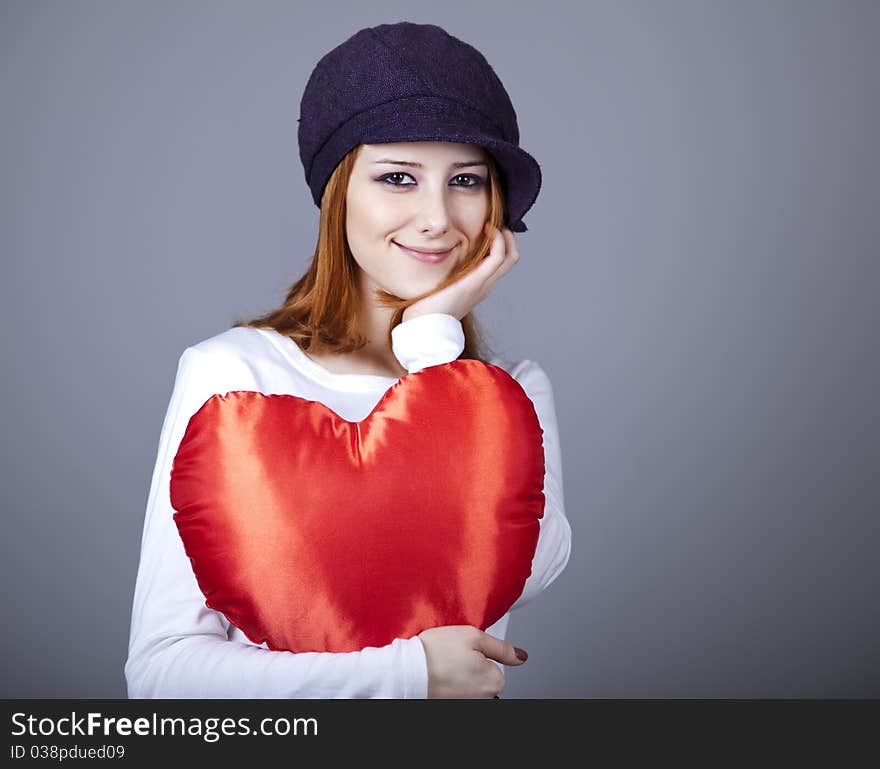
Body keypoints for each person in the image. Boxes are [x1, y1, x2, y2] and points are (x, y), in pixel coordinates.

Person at [124, 21, 571, 699]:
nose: (436, 217)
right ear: (338, 193)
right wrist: (406, 675)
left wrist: (429, 341)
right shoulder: (234, 378)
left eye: (467, 181)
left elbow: (508, 565)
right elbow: (162, 678)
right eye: (398, 177)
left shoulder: (512, 396)